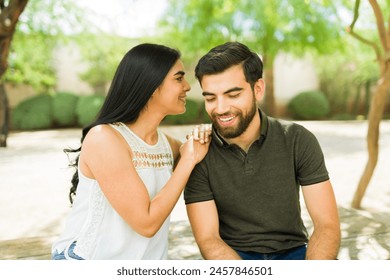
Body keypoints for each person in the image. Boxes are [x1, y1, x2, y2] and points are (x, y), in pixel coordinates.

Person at [51, 43, 211, 260]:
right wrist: (188, 159)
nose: (187, 86)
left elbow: (201, 155)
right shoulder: (104, 138)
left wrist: (203, 134)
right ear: (152, 85)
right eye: (178, 78)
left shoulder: (166, 144)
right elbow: (146, 223)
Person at [184, 42, 341, 260]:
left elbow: (327, 225)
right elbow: (208, 239)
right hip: (233, 256)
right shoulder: (198, 153)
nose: (220, 108)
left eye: (233, 94)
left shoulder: (297, 139)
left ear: (257, 89)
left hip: (295, 252)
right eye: (210, 98)